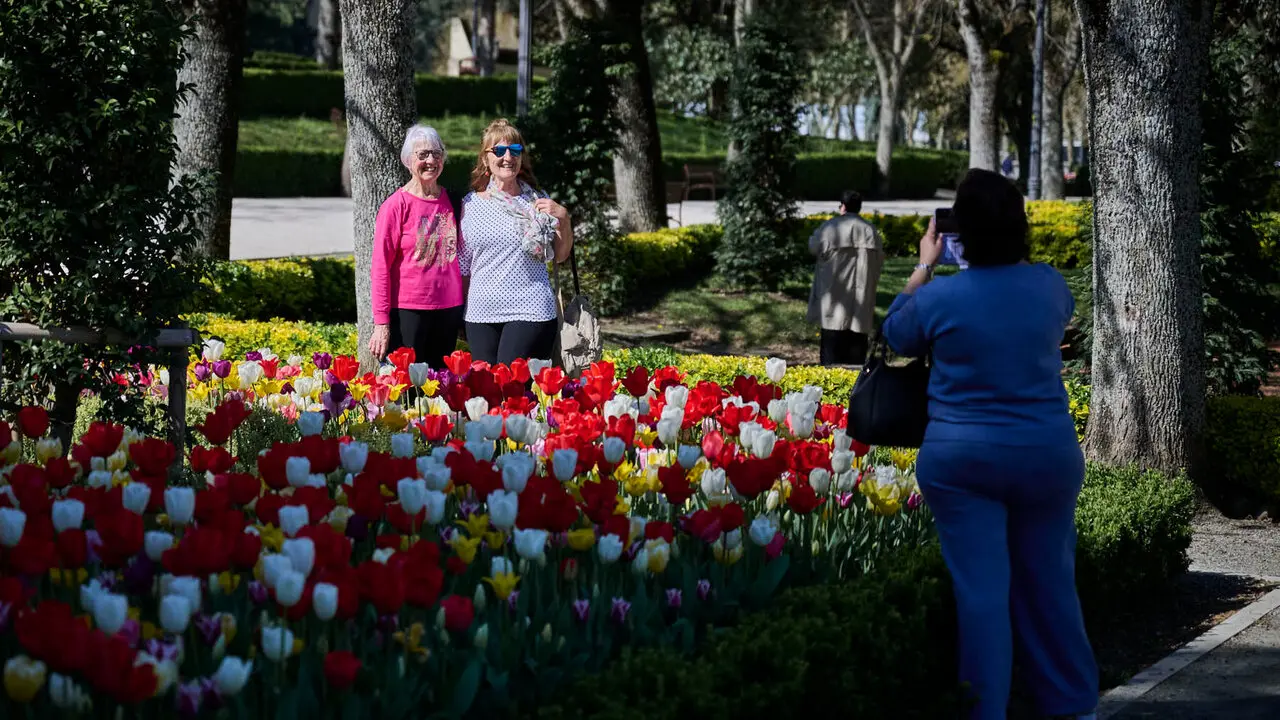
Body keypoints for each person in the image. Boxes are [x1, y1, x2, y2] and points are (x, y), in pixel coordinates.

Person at [881, 168, 1097, 720]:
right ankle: (1072, 706)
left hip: (962, 460)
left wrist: (926, 265)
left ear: (961, 232)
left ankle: (987, 712)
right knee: (1051, 586)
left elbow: (895, 334)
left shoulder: (943, 297)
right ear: (1021, 226)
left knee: (981, 598)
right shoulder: (1051, 285)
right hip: (1045, 455)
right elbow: (1042, 311)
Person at [459, 118, 573, 365]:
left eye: (515, 150)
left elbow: (559, 256)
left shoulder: (538, 201)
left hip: (531, 308)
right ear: (486, 158)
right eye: (499, 150)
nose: (508, 157)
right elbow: (464, 266)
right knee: (486, 391)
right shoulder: (470, 204)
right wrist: (460, 312)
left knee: (512, 388)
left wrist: (564, 219)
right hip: (481, 313)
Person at [368, 125, 465, 368]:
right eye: (422, 155)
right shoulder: (395, 205)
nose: (430, 160)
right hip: (407, 312)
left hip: (449, 310)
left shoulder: (454, 202)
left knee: (439, 388)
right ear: (408, 160)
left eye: (436, 153)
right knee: (405, 390)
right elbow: (380, 268)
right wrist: (381, 324)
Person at [806, 190, 883, 366]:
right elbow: (879, 262)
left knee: (830, 354)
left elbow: (813, 247)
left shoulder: (830, 228)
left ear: (843, 206)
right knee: (857, 355)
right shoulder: (870, 230)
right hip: (860, 303)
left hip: (833, 300)